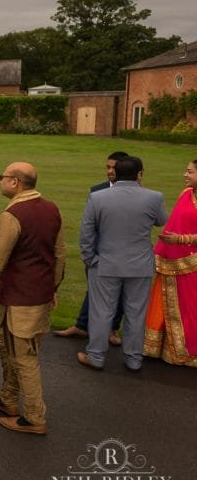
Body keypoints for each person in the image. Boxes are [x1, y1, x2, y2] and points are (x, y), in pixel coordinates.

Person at [0, 162, 65, 435]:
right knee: (7, 349)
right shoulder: (51, 208)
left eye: (3, 177)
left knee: (25, 357)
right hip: (26, 294)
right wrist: (53, 287)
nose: (1, 181)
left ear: (15, 182)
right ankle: (9, 399)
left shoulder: (13, 215)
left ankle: (33, 417)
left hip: (23, 299)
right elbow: (60, 254)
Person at [78, 156, 167, 373]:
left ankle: (96, 356)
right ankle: (133, 358)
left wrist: (90, 259)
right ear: (139, 174)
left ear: (115, 173)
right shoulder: (154, 197)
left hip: (105, 264)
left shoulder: (98, 197)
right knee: (136, 313)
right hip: (139, 265)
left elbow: (86, 233)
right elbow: (162, 220)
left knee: (101, 312)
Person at [54, 151, 129, 345]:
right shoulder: (97, 190)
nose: (110, 171)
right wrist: (90, 253)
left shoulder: (135, 192)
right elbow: (89, 224)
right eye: (108, 167)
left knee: (120, 291)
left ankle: (112, 329)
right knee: (94, 289)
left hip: (123, 252)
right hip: (98, 251)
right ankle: (82, 325)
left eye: (114, 167)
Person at [144, 158, 197, 367]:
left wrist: (182, 240)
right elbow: (174, 222)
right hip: (173, 260)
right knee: (166, 303)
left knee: (190, 309)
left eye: (190, 172)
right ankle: (163, 349)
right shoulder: (186, 194)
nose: (185, 175)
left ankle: (189, 352)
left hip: (193, 263)